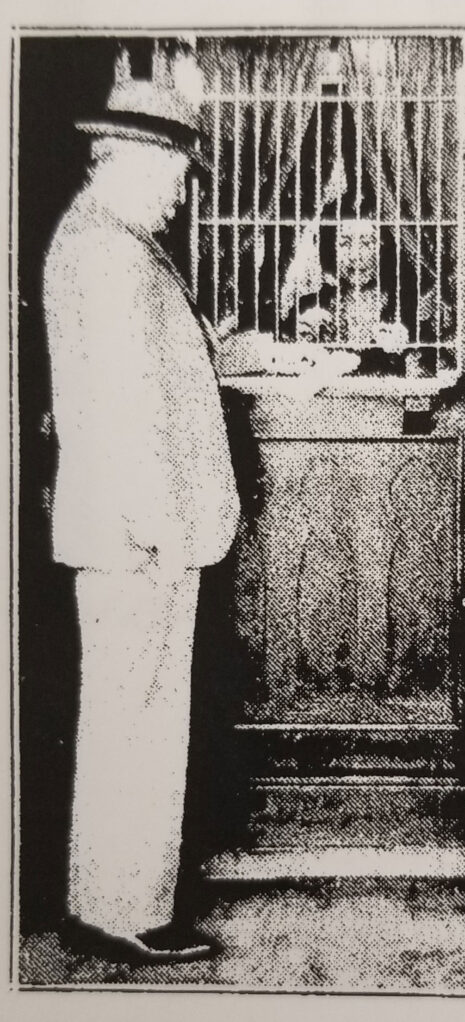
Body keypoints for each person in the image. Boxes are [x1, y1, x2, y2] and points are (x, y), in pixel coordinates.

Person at [43, 47, 240, 962]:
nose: (180, 194)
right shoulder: (110, 255)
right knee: (139, 728)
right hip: (141, 538)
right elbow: (124, 412)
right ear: (126, 160)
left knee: (124, 721)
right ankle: (128, 916)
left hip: (125, 532)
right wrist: (162, 532)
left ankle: (108, 903)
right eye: (172, 175)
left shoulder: (99, 240)